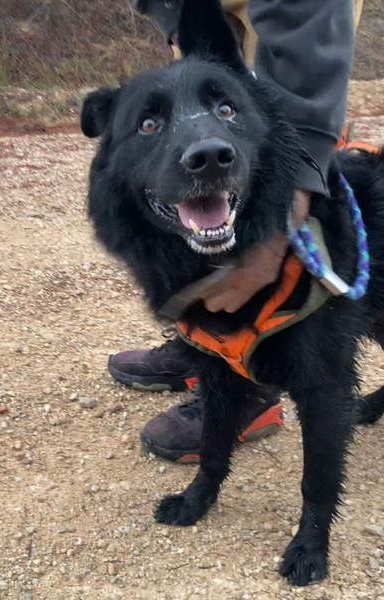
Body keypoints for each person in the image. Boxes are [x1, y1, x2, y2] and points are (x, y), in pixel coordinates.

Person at [112, 0, 357, 463]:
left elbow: (308, 20)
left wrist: (290, 199)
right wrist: (181, 25)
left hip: (298, 17)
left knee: (261, 168)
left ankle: (255, 384)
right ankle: (211, 348)